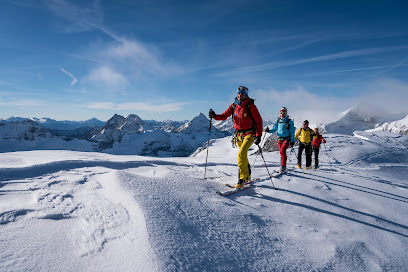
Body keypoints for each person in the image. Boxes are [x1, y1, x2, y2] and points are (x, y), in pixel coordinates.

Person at [209, 86, 263, 189]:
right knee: (243, 156)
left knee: (241, 154)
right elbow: (224, 116)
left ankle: (241, 180)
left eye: (242, 93)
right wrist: (214, 116)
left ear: (246, 95)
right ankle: (247, 176)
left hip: (249, 134)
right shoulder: (234, 106)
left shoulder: (250, 106)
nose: (239, 95)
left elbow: (259, 121)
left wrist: (258, 135)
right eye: (238, 93)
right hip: (238, 135)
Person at [265, 107, 295, 173]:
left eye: (284, 113)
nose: (282, 114)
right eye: (281, 113)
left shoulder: (289, 121)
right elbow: (274, 129)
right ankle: (282, 165)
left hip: (287, 138)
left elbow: (292, 131)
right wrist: (268, 131)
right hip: (279, 139)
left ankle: (283, 167)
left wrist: (292, 140)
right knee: (281, 153)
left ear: (286, 113)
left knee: (282, 151)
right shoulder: (278, 120)